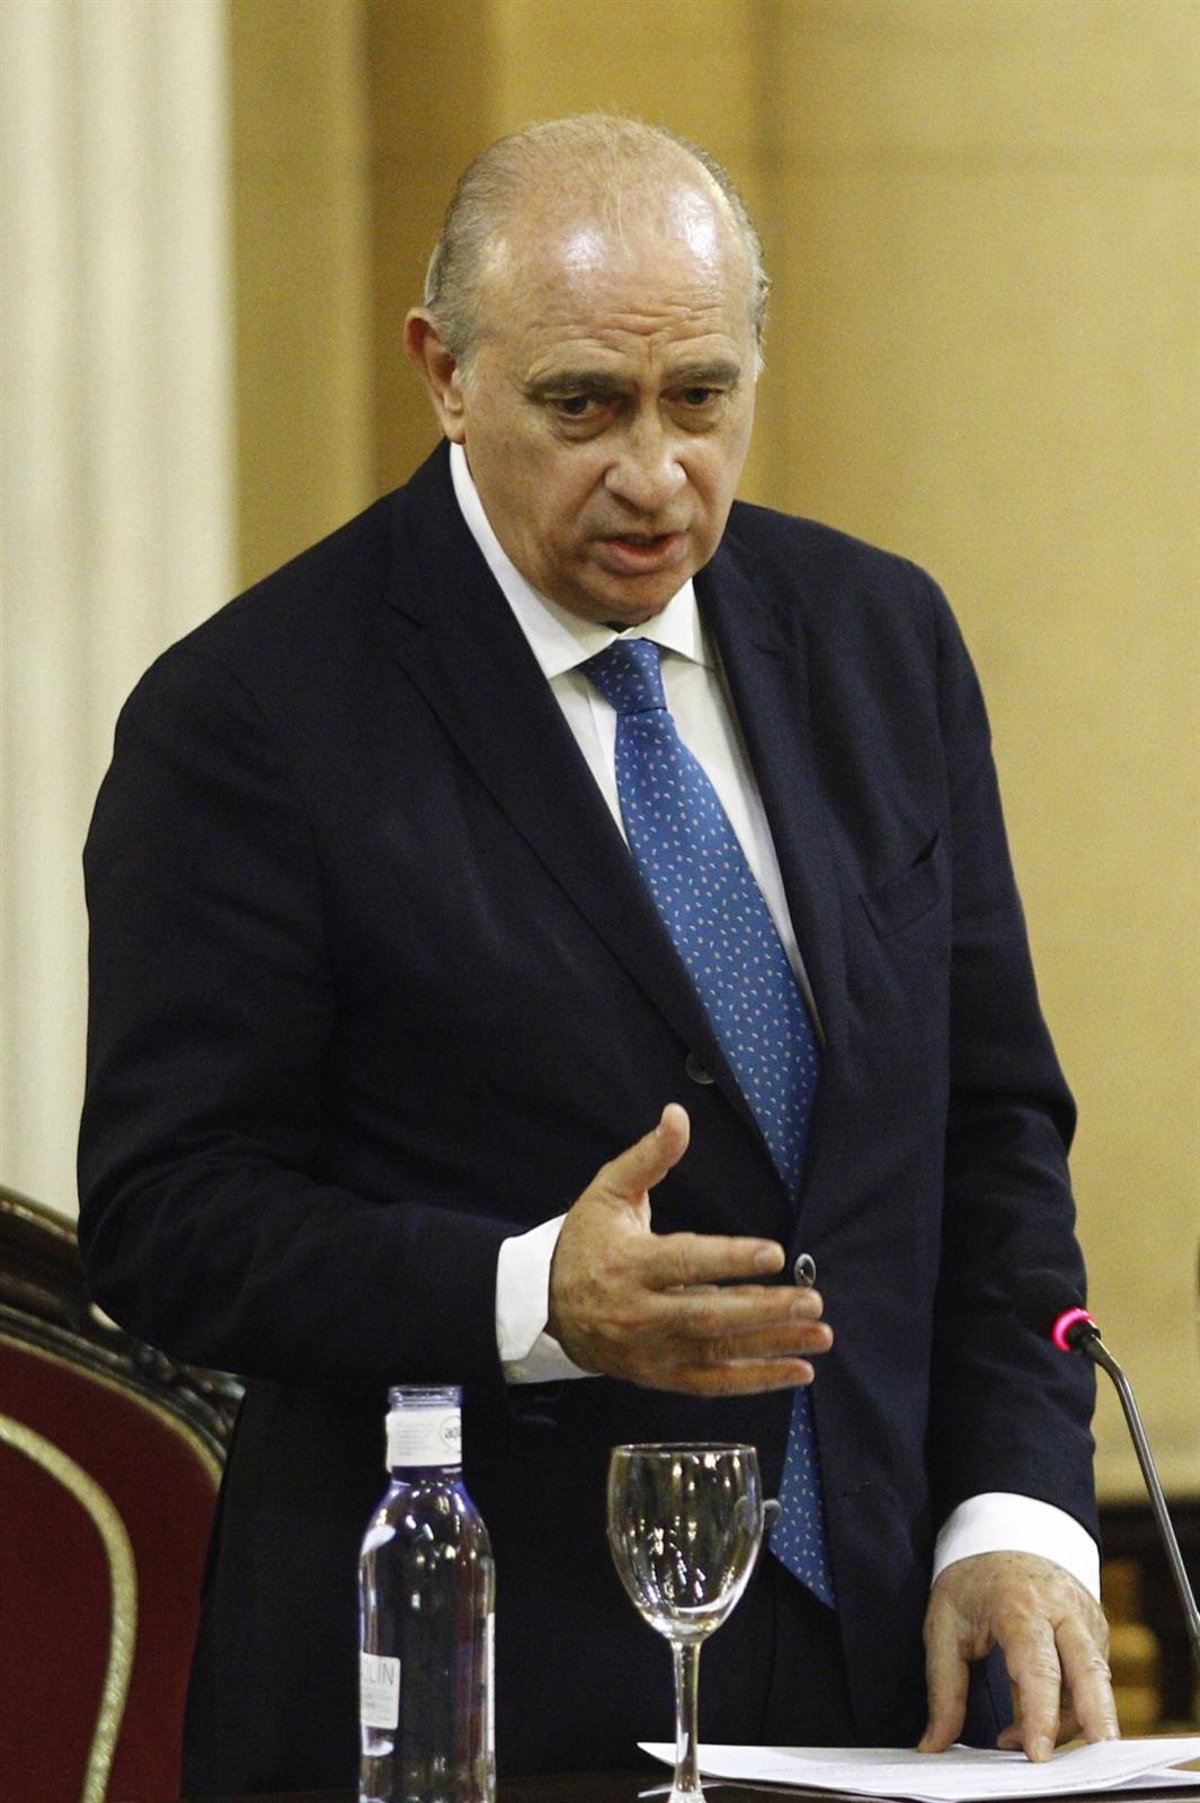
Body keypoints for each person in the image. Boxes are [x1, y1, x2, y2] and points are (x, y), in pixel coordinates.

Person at [78, 116, 1117, 1794]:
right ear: (444, 373)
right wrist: (529, 1296)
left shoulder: (882, 641)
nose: (655, 473)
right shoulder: (253, 713)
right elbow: (168, 1217)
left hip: (886, 1687)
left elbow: (990, 1130)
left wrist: (1014, 1517)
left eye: (701, 397)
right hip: (476, 1689)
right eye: (584, 407)